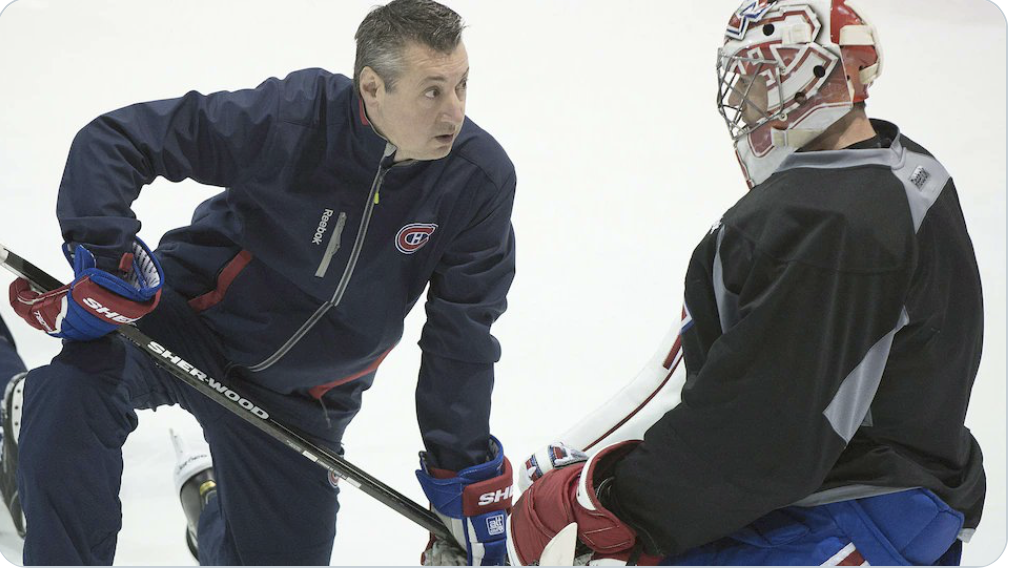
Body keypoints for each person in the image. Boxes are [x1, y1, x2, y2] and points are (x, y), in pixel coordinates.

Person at [6, 0, 516, 564]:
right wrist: (106, 262)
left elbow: (461, 336)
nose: (455, 113)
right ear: (372, 87)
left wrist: (461, 473)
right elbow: (119, 140)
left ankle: (213, 509)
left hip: (304, 397)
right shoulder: (297, 119)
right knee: (71, 396)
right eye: (433, 91)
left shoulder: (477, 181)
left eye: (462, 85)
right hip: (187, 323)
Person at [506, 0, 984, 565]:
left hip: (857, 514)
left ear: (804, 77)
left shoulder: (827, 227)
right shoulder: (905, 168)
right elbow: (717, 374)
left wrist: (620, 505)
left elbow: (758, 436)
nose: (743, 101)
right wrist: (577, 466)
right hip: (906, 493)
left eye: (756, 80)